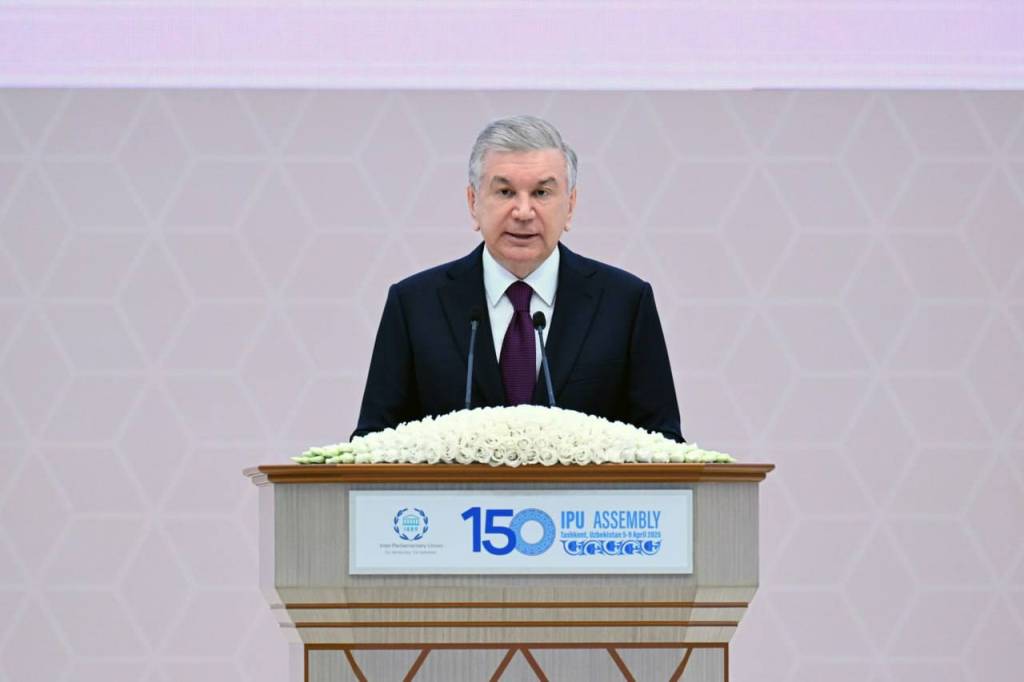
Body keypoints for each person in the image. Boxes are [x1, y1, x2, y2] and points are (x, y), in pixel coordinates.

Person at [353, 115, 683, 442]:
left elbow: (663, 444)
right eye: (506, 192)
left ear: (570, 206)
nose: (523, 212)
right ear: (473, 203)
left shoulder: (624, 303)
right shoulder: (415, 305)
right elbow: (372, 443)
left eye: (541, 193)